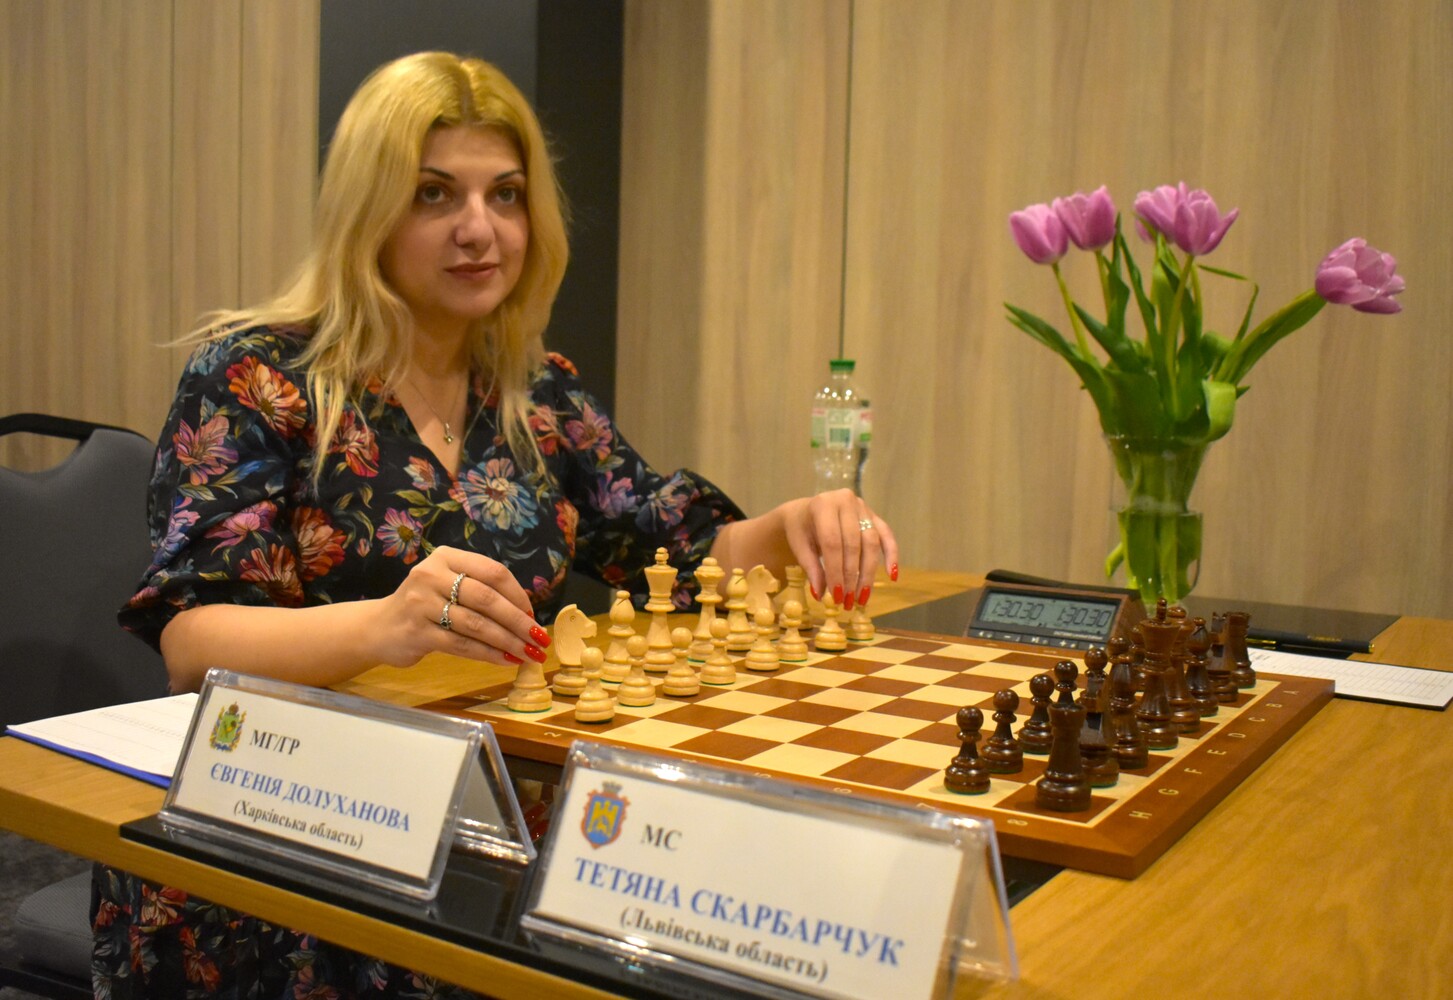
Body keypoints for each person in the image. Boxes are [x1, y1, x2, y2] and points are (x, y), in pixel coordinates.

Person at [96, 51, 897, 998]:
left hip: (487, 815)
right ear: (368, 210)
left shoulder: (535, 390)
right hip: (290, 833)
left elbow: (676, 548)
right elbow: (192, 644)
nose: (479, 229)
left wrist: (796, 523)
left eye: (505, 196)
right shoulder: (254, 376)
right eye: (434, 194)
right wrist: (383, 626)